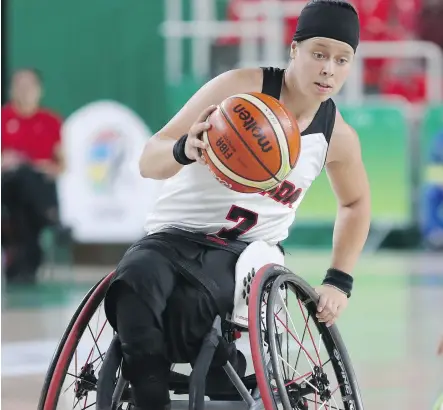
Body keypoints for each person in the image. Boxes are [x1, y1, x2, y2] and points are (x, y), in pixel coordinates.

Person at [103, 1, 371, 409]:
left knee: (194, 306)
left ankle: (223, 373)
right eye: (319, 54)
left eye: (341, 59)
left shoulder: (336, 136)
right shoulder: (238, 89)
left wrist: (339, 280)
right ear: (294, 50)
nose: (328, 69)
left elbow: (355, 202)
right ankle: (150, 393)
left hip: (248, 254)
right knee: (135, 279)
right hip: (174, 236)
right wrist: (182, 149)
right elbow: (148, 160)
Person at [1, 68, 65, 283]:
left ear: (40, 90)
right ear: (11, 89)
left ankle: (19, 261)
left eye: (29, 86)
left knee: (27, 180)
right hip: (7, 186)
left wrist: (44, 167)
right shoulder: (4, 118)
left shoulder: (51, 121)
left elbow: (62, 165)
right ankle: (47, 216)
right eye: (20, 86)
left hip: (38, 185)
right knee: (20, 177)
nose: (24, 91)